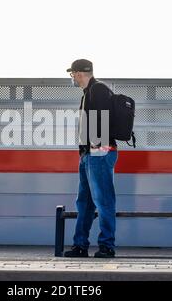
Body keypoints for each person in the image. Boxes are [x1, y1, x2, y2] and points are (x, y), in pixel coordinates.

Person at [64, 59, 118, 258]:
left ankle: (107, 246)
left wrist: (97, 146)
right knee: (85, 202)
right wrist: (84, 151)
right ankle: (80, 246)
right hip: (89, 154)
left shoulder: (98, 90)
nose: (72, 78)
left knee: (104, 200)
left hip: (100, 152)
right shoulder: (88, 93)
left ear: (79, 73)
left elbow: (104, 117)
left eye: (73, 74)